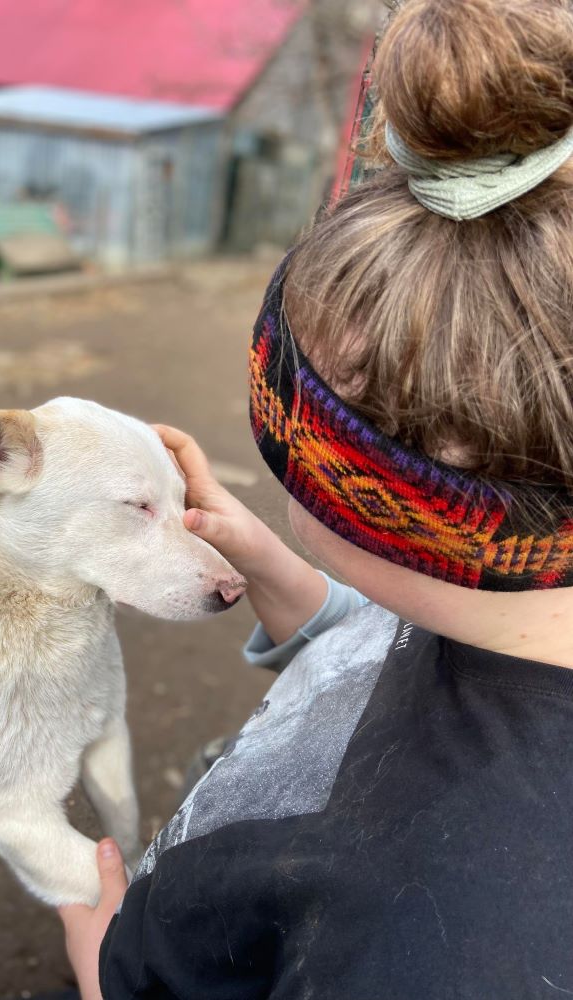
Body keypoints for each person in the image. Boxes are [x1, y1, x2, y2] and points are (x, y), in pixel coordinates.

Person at [56, 0, 573, 996]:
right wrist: (292, 584)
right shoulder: (504, 608)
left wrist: (99, 971)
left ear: (358, 491)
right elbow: (391, 646)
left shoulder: (456, 951)